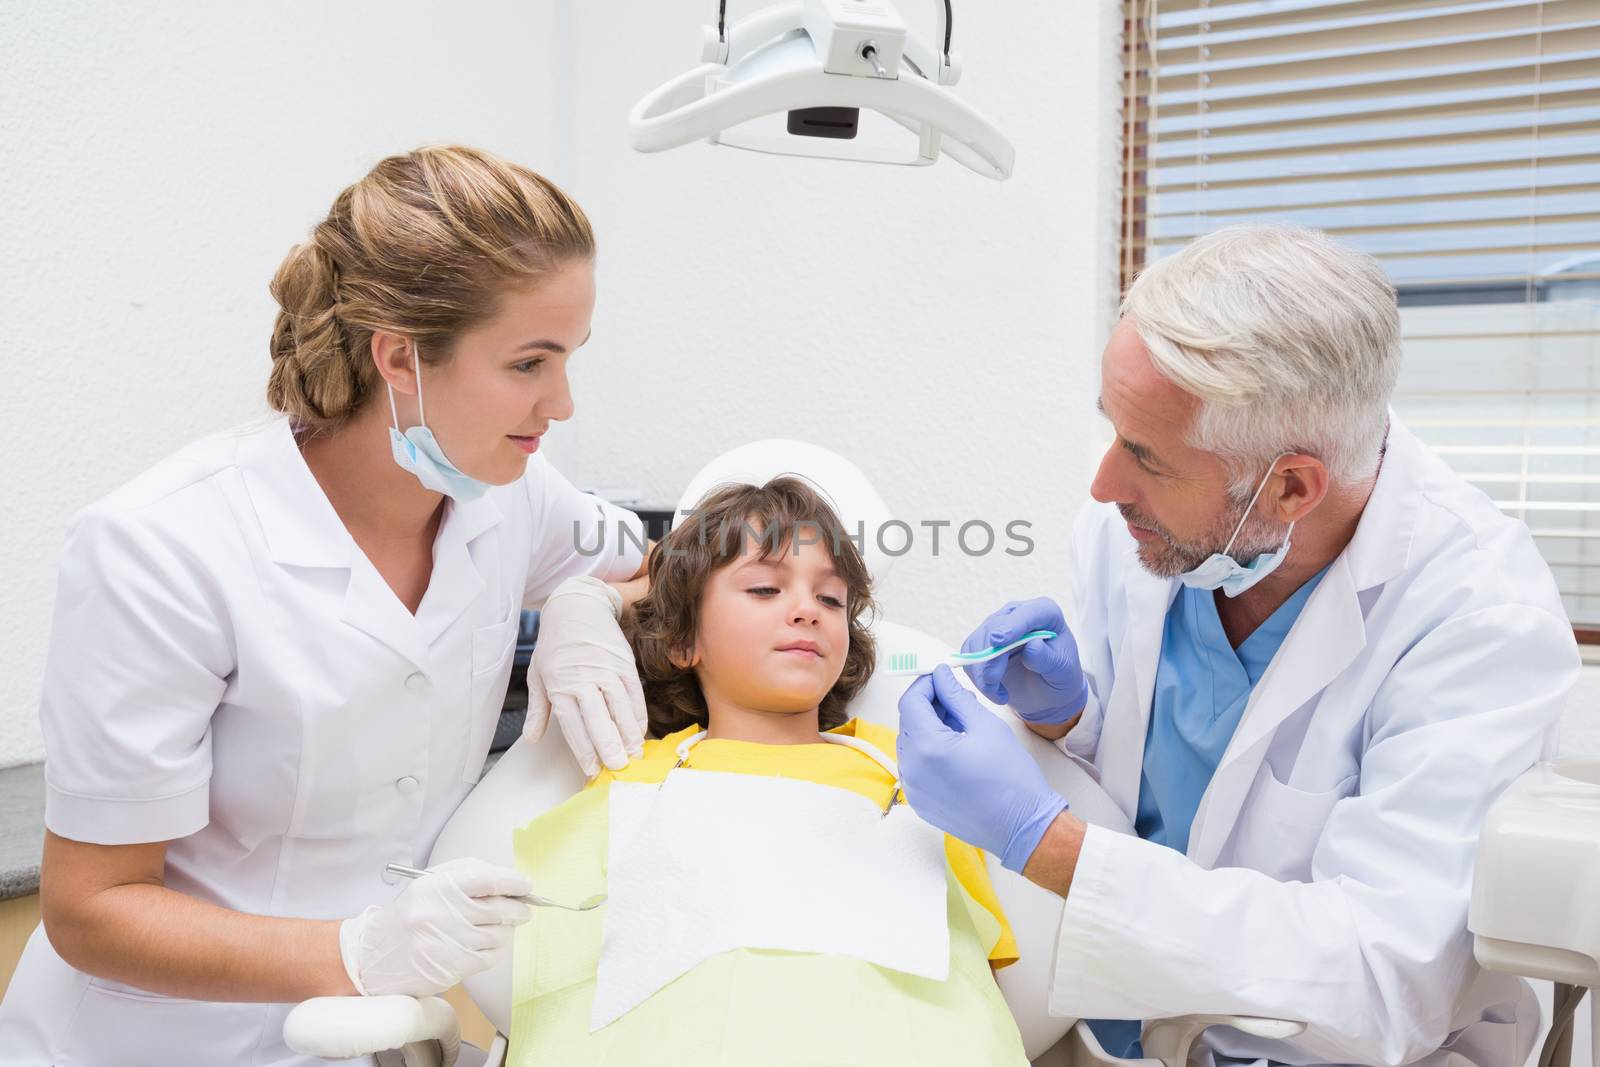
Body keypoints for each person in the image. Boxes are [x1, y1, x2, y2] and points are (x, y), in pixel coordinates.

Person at [0, 146, 652, 1066]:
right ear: (400, 356)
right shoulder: (162, 546)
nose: (563, 403)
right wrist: (354, 950)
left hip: (373, 1038)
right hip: (158, 1044)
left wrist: (591, 603)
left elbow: (676, 566)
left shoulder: (510, 493)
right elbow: (91, 908)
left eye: (569, 357)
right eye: (528, 363)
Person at [894, 224, 1582, 1067]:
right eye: (1112, 428)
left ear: (1290, 486)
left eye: (1144, 455)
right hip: (1121, 1028)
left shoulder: (1480, 619)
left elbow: (1379, 978)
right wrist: (1070, 714)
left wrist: (1045, 842)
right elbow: (1163, 772)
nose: (1104, 483)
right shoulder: (1143, 528)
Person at [509, 478, 1028, 1066]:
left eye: (831, 601)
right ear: (683, 641)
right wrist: (592, 598)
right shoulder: (633, 776)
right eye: (763, 588)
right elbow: (574, 963)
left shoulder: (913, 773)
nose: (807, 610)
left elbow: (973, 970)